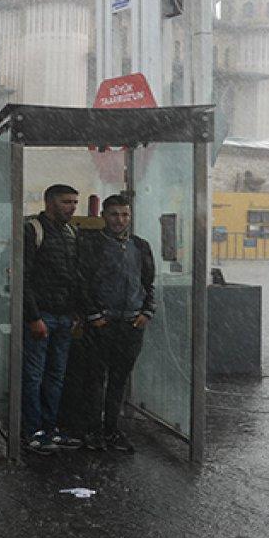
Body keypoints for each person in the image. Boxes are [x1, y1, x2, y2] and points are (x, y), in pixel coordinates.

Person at [77, 194, 156, 453]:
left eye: (124, 215)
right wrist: (95, 317)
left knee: (119, 379)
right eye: (114, 214)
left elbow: (148, 283)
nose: (119, 220)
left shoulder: (141, 246)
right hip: (103, 323)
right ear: (103, 216)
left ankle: (112, 430)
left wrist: (147, 312)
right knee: (95, 378)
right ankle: (92, 430)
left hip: (131, 323)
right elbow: (82, 283)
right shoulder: (92, 244)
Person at [21, 184, 82, 455]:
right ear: (49, 202)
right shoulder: (33, 229)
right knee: (34, 375)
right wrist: (34, 317)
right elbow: (23, 276)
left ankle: (50, 427)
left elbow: (73, 277)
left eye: (74, 202)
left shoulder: (70, 232)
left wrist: (75, 313)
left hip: (64, 316)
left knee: (56, 375)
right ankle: (33, 430)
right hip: (42, 315)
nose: (71, 207)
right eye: (66, 201)